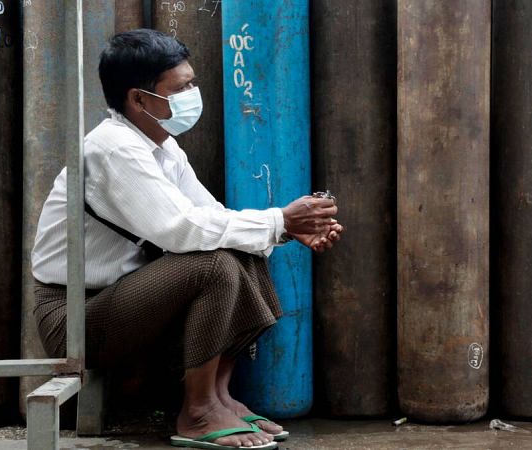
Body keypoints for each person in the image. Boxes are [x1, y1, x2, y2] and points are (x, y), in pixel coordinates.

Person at [30, 29, 342, 449]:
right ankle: (196, 412)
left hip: (120, 299)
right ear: (139, 99)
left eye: (191, 83)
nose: (192, 93)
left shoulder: (162, 146)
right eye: (181, 88)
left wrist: (286, 229)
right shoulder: (113, 149)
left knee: (240, 247)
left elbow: (212, 217)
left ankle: (218, 397)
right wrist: (278, 220)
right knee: (212, 262)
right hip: (74, 317)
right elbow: (180, 230)